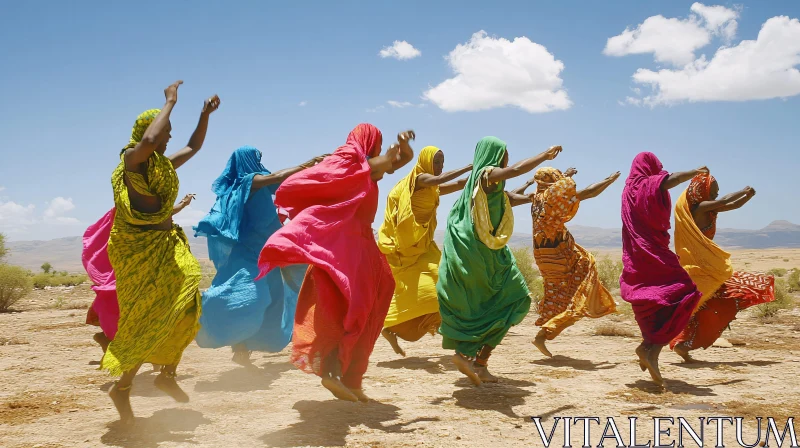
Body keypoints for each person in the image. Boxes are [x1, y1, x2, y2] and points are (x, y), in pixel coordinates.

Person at [257, 124, 415, 402]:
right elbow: (390, 161)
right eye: (377, 143)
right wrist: (397, 146)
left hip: (348, 249)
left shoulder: (355, 167)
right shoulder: (357, 165)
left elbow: (398, 161)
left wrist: (402, 147)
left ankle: (352, 380)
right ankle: (334, 374)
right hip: (350, 252)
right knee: (353, 313)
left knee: (355, 311)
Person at [104, 80, 220, 425]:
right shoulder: (131, 160)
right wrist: (170, 101)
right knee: (144, 322)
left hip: (165, 245)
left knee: (186, 305)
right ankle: (122, 389)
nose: (168, 137)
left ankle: (166, 374)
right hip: (136, 251)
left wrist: (203, 115)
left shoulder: (160, 165)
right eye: (165, 130)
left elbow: (193, 147)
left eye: (169, 131)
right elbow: (151, 140)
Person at [437, 137, 562, 386]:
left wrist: (539, 197)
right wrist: (544, 155)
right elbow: (515, 170)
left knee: (485, 308)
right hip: (485, 256)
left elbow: (510, 199)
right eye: (505, 153)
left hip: (477, 255)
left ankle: (476, 362)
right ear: (495, 154)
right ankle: (470, 358)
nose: (507, 158)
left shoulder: (483, 186)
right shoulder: (486, 174)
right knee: (517, 299)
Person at [193, 146, 326, 365]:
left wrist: (316, 171)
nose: (259, 162)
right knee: (254, 297)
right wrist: (309, 162)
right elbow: (278, 176)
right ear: (245, 161)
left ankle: (244, 348)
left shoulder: (260, 185)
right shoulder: (248, 182)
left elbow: (286, 181)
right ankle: (210, 321)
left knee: (274, 299)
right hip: (248, 254)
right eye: (256, 158)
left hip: (269, 252)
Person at [510, 167, 620, 357]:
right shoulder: (553, 200)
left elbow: (555, 189)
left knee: (558, 295)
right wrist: (608, 180)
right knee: (576, 296)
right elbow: (588, 192)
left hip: (542, 254)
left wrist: (567, 175)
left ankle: (543, 334)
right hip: (559, 253)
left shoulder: (537, 199)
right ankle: (543, 334)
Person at [377, 146, 472, 357]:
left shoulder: (432, 187)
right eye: (436, 162)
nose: (440, 166)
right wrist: (469, 166)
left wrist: (479, 176)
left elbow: (456, 184)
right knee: (432, 286)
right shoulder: (419, 179)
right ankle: (455, 336)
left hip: (424, 244)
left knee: (445, 280)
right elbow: (438, 180)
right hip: (406, 245)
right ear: (426, 161)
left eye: (442, 162)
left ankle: (393, 328)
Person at [620, 152, 705, 387]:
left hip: (636, 255)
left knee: (651, 299)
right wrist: (696, 171)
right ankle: (651, 351)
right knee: (685, 291)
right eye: (658, 167)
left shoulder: (627, 190)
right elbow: (671, 180)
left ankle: (648, 347)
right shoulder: (646, 184)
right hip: (652, 251)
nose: (660, 171)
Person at [670, 173, 774, 361]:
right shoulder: (700, 207)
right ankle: (675, 343)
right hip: (701, 267)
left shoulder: (710, 209)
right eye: (713, 192)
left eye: (716, 192)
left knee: (707, 306)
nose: (716, 195)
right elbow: (727, 200)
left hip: (709, 265)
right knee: (711, 301)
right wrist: (743, 190)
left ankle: (684, 345)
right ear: (702, 191)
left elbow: (732, 204)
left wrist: (748, 197)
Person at [83, 194, 195, 356]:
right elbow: (163, 213)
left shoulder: (124, 210)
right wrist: (184, 203)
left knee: (124, 298)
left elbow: (162, 214)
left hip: (135, 261)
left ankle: (109, 338)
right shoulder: (135, 210)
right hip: (139, 262)